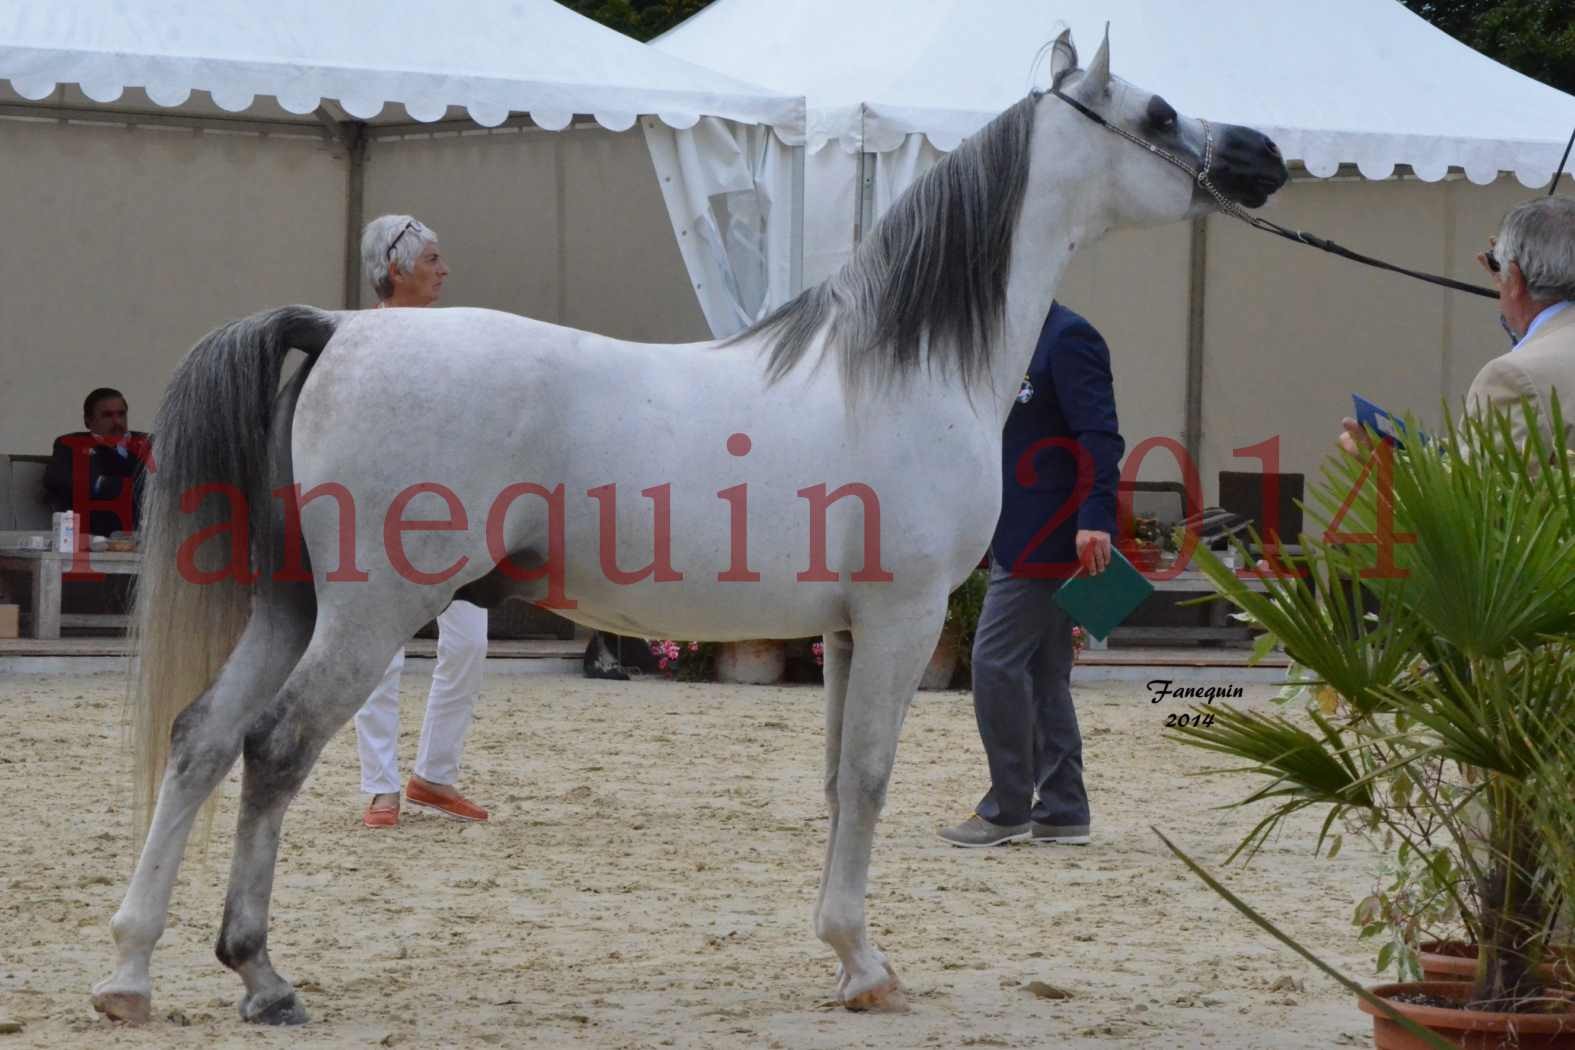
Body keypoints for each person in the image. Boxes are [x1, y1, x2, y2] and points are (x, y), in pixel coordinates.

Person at [940, 302, 1124, 848]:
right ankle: (1064, 808)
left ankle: (1007, 806)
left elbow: (1100, 437)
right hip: (1013, 527)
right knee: (1046, 672)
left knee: (994, 662)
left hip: (1050, 535)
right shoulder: (999, 336)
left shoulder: (1068, 337)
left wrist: (1095, 519)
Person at [352, 214, 491, 829]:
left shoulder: (454, 338)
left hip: (453, 516)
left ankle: (434, 776)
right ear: (395, 269)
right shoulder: (356, 341)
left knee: (469, 644)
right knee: (381, 655)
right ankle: (380, 786)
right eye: (432, 259)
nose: (444, 269)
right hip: (380, 513)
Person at [1340, 196, 1575, 457]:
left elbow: (1484, 494)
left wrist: (1391, 469)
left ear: (1516, 278)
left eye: (1497, 264)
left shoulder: (1514, 378)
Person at [43, 388, 151, 536]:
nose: (117, 421)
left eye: (121, 414)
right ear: (88, 420)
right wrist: (112, 485)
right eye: (107, 415)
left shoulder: (148, 442)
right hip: (97, 532)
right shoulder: (71, 444)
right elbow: (58, 479)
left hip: (146, 529)